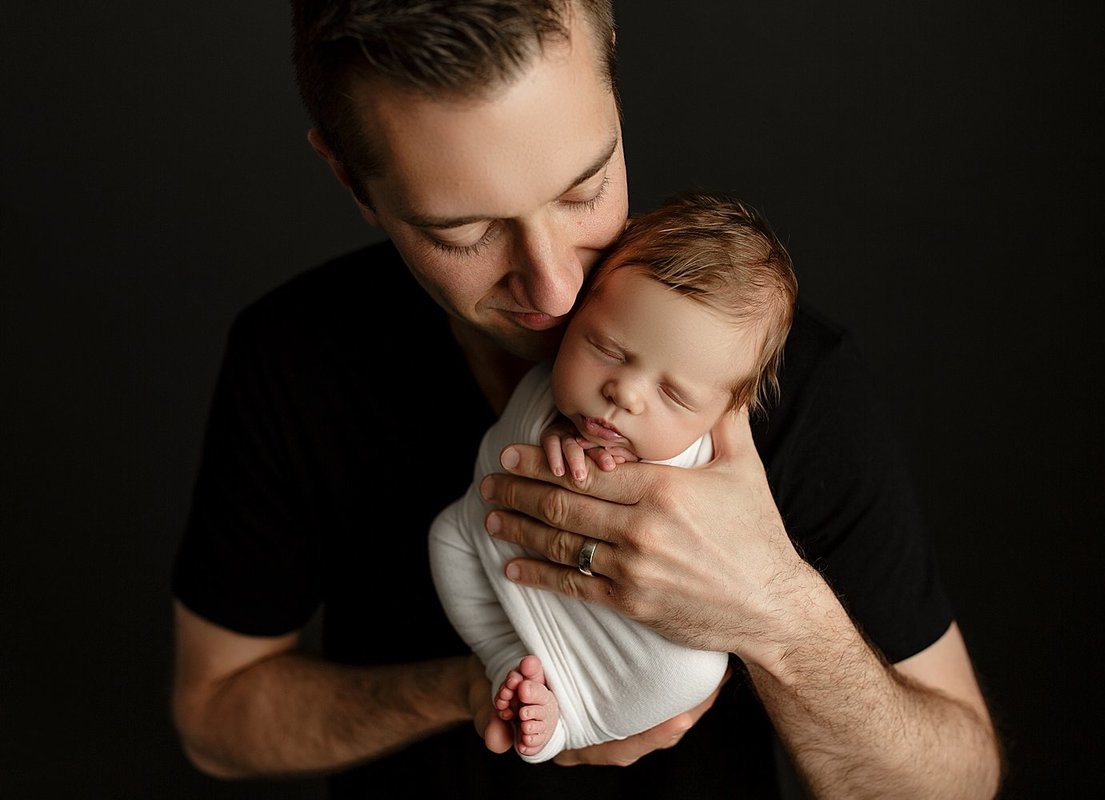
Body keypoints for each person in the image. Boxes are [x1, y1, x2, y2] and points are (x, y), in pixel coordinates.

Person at [170, 2, 1004, 798]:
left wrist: (778, 614)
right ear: (350, 177)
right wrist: (483, 686)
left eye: (585, 190)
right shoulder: (294, 355)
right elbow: (215, 719)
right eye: (464, 233)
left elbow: (956, 786)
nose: (558, 287)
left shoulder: (788, 374)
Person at [429, 190, 797, 763]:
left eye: (672, 394)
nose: (623, 393)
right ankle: (507, 660)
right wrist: (553, 433)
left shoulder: (705, 460)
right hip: (496, 548)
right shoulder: (549, 381)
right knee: (448, 538)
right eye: (604, 348)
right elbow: (526, 426)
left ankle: (569, 722)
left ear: (724, 412)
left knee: (692, 674)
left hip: (624, 635)